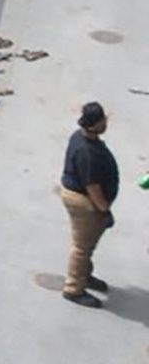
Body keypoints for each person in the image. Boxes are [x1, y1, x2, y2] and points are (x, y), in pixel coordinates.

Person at [59, 101, 119, 307]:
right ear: (95, 123)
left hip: (84, 198)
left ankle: (85, 275)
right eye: (103, 119)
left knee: (88, 244)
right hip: (84, 202)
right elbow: (92, 185)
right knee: (82, 247)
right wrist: (104, 209)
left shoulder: (82, 137)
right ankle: (74, 288)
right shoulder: (87, 152)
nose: (106, 122)